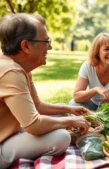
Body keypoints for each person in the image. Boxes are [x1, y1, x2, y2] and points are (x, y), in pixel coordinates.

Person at [0, 13, 91, 168]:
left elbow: (37, 106)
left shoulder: (21, 68)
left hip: (13, 132)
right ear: (26, 46)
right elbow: (33, 124)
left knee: (63, 113)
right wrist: (70, 121)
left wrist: (68, 109)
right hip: (2, 145)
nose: (50, 47)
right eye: (46, 41)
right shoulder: (11, 72)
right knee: (61, 137)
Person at [69, 33, 109, 111]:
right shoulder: (88, 66)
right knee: (73, 104)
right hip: (91, 105)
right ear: (97, 52)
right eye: (106, 49)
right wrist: (96, 89)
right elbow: (76, 96)